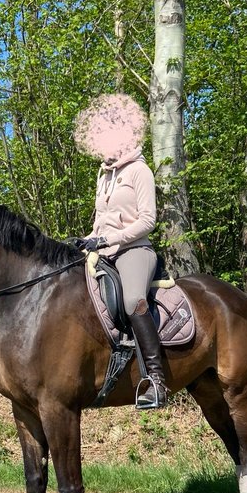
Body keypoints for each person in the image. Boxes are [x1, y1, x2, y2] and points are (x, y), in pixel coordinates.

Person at [73, 94, 166, 409]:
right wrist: (86, 240)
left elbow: (148, 220)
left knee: (132, 300)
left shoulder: (140, 171)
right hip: (102, 251)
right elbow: (100, 222)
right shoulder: (103, 174)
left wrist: (112, 240)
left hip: (134, 250)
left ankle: (156, 380)